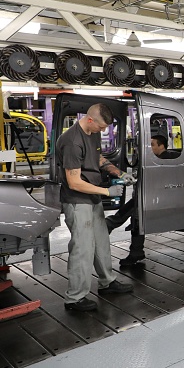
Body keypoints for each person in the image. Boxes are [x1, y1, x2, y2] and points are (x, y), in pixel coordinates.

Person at [56, 103, 135, 312]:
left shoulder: (92, 133)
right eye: (101, 127)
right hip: (77, 200)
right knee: (83, 249)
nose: (103, 131)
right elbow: (74, 182)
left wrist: (118, 173)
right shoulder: (72, 141)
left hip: (92, 198)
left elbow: (97, 158)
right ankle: (75, 298)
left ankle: (107, 282)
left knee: (101, 242)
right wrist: (108, 192)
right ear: (90, 119)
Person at [106, 134, 184, 266]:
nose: (149, 147)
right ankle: (134, 251)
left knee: (135, 212)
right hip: (149, 194)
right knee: (137, 217)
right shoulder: (152, 159)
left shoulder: (171, 156)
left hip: (162, 195)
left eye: (153, 144)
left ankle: (111, 225)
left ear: (161, 145)